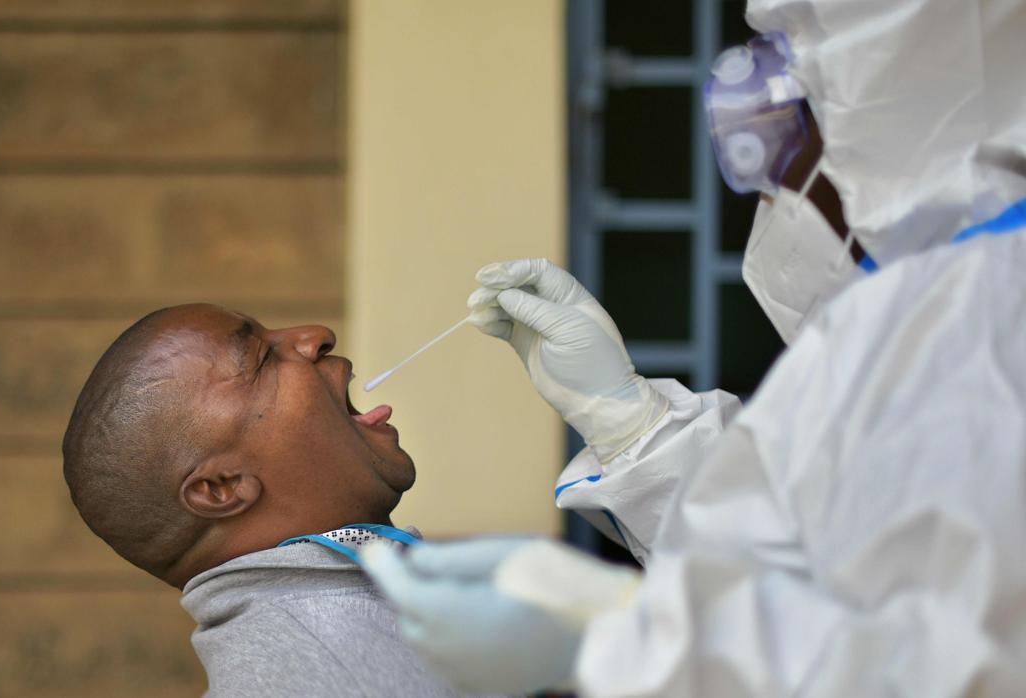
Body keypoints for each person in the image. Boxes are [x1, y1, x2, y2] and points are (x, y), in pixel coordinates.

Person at [363, 0, 1026, 695]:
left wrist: (621, 643)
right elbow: (788, 550)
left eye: (806, 77)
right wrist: (633, 427)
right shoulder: (914, 324)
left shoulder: (984, 322)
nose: (761, 122)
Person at [62, 303, 511, 697]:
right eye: (259, 359)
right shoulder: (323, 669)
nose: (317, 335)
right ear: (222, 487)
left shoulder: (364, 618)